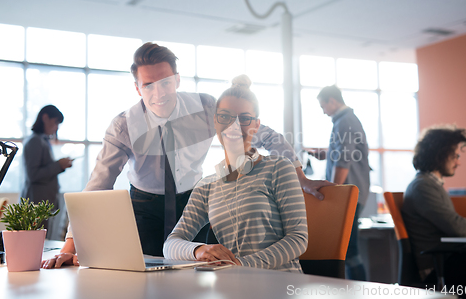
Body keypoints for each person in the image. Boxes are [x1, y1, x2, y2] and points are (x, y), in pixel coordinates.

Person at [42, 42, 326, 268]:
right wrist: (69, 246)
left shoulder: (204, 107)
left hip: (194, 201)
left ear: (176, 79)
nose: (159, 93)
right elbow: (97, 186)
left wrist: (300, 177)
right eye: (148, 85)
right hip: (146, 206)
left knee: (200, 272)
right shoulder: (124, 126)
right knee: (147, 275)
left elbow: (266, 135)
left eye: (165, 82)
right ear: (137, 87)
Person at [164, 86, 308, 272]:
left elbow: (298, 238)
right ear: (215, 121)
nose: (233, 125)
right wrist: (198, 250)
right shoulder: (207, 186)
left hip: (281, 284)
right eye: (225, 116)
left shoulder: (278, 168)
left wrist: (241, 265)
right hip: (235, 285)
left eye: (244, 118)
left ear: (256, 125)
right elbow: (170, 245)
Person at [402, 126, 466, 288]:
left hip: (450, 260)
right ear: (439, 154)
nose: (458, 162)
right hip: (439, 267)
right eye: (455, 156)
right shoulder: (422, 187)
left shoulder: (430, 185)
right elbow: (457, 226)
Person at [308, 85, 369, 280]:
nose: (323, 111)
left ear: (332, 101)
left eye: (323, 106)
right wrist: (325, 154)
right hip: (350, 195)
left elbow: (344, 161)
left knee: (349, 253)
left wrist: (334, 196)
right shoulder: (345, 121)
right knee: (348, 252)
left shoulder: (345, 122)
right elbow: (345, 152)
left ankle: (359, 293)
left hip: (347, 197)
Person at [22, 105, 73, 231]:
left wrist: (60, 166)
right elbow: (33, 175)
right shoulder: (35, 141)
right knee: (37, 244)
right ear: (45, 117)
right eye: (55, 122)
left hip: (41, 204)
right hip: (35, 204)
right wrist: (58, 165)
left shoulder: (42, 141)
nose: (56, 127)